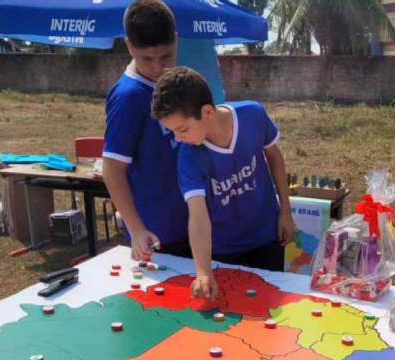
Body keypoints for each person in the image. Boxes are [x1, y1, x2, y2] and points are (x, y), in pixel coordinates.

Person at [151, 67, 295, 301]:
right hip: (223, 249)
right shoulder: (188, 156)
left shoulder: (253, 114)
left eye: (182, 129)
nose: (178, 138)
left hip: (267, 236)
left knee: (271, 307)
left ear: (207, 112)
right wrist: (203, 272)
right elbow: (197, 216)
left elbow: (275, 157)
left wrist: (285, 212)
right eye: (172, 132)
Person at [102, 0, 191, 260]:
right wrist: (136, 230)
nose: (157, 67)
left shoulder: (171, 82)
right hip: (156, 233)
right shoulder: (129, 96)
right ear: (129, 46)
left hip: (187, 220)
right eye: (146, 59)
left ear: (175, 41)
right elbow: (112, 169)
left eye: (166, 56)